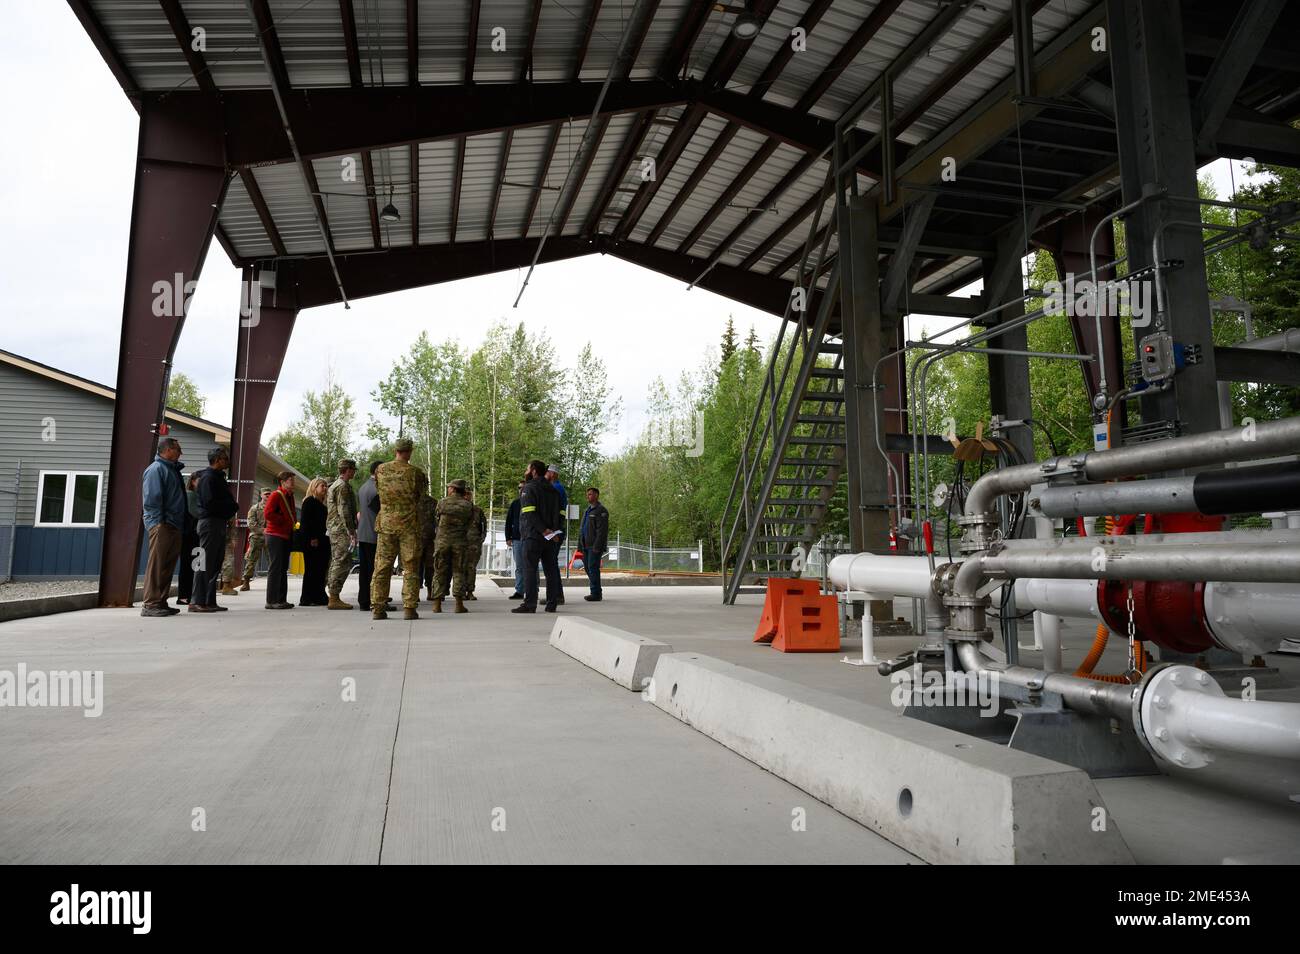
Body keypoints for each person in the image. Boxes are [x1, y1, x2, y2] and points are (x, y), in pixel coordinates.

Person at [370, 438, 428, 620]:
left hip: (386, 524)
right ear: (409, 451)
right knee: (410, 567)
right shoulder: (415, 473)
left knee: (382, 566)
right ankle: (409, 608)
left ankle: (378, 608)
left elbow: (379, 491)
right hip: (409, 525)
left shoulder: (380, 470)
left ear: (396, 450)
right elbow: (420, 496)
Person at [140, 437, 187, 617]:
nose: (180, 453)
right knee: (157, 565)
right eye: (178, 449)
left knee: (167, 565)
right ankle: (151, 604)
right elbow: (151, 499)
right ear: (167, 450)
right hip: (162, 524)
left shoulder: (171, 470)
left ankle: (161, 601)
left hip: (174, 524)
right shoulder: (156, 470)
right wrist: (159, 523)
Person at [192, 446, 239, 613]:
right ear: (218, 460)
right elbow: (209, 503)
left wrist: (231, 506)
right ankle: (197, 601)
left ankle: (209, 600)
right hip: (209, 523)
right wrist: (230, 507)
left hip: (218, 523)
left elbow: (230, 502)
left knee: (215, 563)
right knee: (204, 562)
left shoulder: (219, 478)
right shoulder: (208, 478)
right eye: (225, 459)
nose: (228, 461)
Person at [513, 460, 562, 614]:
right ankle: (551, 603)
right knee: (551, 570)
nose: (526, 471)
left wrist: (543, 530)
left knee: (530, 569)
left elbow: (529, 512)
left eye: (527, 468)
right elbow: (560, 513)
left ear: (534, 471)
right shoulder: (553, 490)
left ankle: (530, 604)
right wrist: (554, 531)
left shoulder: (529, 488)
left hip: (533, 536)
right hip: (550, 538)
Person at [430, 479, 472, 613]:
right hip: (460, 542)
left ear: (453, 489)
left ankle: (437, 605)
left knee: (439, 571)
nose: (448, 489)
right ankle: (459, 604)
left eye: (449, 487)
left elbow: (436, 519)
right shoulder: (468, 505)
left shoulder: (442, 502)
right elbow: (470, 523)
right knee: (459, 572)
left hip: (442, 542)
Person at [326, 459, 359, 610]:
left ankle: (333, 595)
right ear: (347, 470)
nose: (354, 472)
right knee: (341, 562)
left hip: (335, 529)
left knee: (337, 561)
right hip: (341, 530)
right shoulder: (343, 487)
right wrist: (351, 531)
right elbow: (344, 511)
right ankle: (334, 596)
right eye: (353, 469)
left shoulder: (335, 485)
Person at [263, 471, 297, 609]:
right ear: (282, 482)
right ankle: (271, 600)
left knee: (282, 568)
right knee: (276, 568)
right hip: (275, 535)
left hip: (285, 535)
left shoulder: (290, 496)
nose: (293, 482)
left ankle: (281, 599)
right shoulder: (276, 495)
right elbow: (268, 513)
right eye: (290, 480)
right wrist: (284, 521)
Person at [298, 477, 330, 606]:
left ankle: (319, 595)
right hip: (313, 541)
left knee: (321, 570)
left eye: (326, 486)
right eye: (322, 486)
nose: (325, 488)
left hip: (323, 540)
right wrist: (312, 538)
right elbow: (306, 523)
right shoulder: (309, 502)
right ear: (314, 487)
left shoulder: (322, 503)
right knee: (312, 569)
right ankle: (307, 597)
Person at [356, 460, 383, 612]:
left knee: (365, 570)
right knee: (375, 570)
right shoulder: (377, 489)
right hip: (374, 534)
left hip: (363, 533)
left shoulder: (363, 487)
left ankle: (364, 600)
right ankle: (375, 599)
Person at [579, 487, 609, 602]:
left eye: (590, 494)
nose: (588, 496)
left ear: (596, 495)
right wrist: (580, 546)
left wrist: (597, 546)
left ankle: (595, 593)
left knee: (593, 568)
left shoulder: (601, 511)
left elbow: (602, 531)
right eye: (587, 494)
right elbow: (582, 528)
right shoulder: (587, 511)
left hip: (594, 546)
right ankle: (596, 590)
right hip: (585, 545)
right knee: (588, 567)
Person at [545, 465, 568, 605]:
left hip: (555, 531)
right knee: (551, 564)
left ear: (553, 474)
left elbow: (555, 511)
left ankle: (556, 595)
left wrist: (554, 531)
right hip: (556, 530)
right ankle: (556, 594)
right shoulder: (557, 487)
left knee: (551, 564)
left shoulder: (556, 488)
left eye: (547, 472)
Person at [177, 472, 200, 606]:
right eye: (199, 481)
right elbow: (196, 513)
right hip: (189, 535)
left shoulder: (199, 496)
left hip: (196, 535)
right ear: (192, 481)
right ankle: (184, 596)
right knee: (188, 565)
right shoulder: (190, 495)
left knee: (197, 565)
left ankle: (193, 594)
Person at [241, 488, 271, 590]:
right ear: (261, 495)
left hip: (270, 537)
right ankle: (246, 581)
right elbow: (251, 524)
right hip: (256, 537)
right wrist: (263, 530)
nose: (268, 496)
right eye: (266, 494)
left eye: (269, 494)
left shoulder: (273, 507)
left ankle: (273, 582)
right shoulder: (254, 508)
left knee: (272, 560)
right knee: (251, 560)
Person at [460, 488, 487, 601]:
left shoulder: (477, 510)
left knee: (471, 568)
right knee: (460, 567)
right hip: (460, 542)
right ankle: (460, 592)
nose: (467, 496)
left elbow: (484, 525)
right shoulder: (459, 510)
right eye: (465, 494)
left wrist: (481, 538)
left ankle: (470, 591)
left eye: (468, 494)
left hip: (474, 543)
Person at [505, 481, 525, 599]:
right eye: (519, 488)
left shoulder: (533, 502)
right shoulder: (515, 504)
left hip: (530, 539)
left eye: (523, 487)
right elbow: (509, 521)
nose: (521, 490)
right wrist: (508, 537)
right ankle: (519, 591)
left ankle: (534, 589)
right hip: (517, 539)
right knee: (519, 566)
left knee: (532, 566)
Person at [418, 492, 437, 601]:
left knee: (429, 567)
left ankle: (429, 592)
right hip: (421, 539)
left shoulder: (433, 502)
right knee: (417, 568)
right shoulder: (411, 500)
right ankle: (418, 594)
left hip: (427, 539)